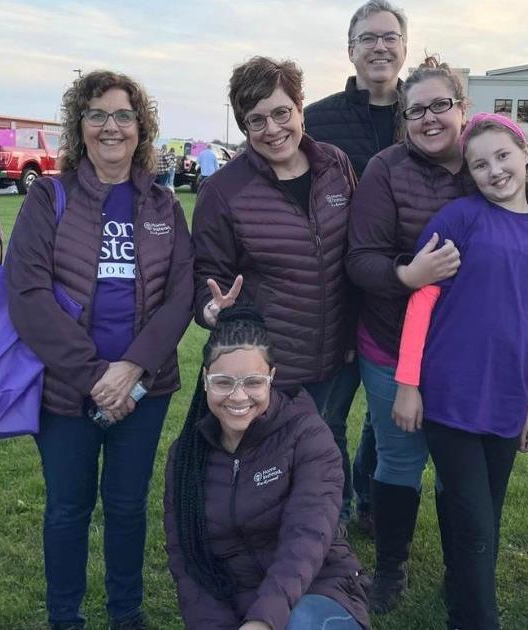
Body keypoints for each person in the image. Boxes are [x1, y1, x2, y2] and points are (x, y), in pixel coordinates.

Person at [5, 69, 194, 630]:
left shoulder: (163, 205)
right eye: (97, 115)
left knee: (127, 506)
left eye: (123, 115)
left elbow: (181, 294)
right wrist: (95, 377)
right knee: (68, 508)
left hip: (145, 388)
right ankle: (65, 617)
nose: (111, 127)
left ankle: (125, 615)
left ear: (141, 127)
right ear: (79, 126)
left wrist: (132, 368)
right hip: (66, 388)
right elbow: (28, 294)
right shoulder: (49, 196)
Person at [394, 113, 528, 630]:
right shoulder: (459, 219)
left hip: (507, 402)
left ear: (526, 154)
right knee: (476, 521)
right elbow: (422, 301)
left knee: (484, 514)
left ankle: (458, 584)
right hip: (450, 395)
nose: (494, 170)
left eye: (503, 156)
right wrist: (408, 384)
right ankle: (476, 618)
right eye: (480, 164)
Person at [192, 56, 361, 528]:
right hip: (271, 362)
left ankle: (333, 536)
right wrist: (212, 309)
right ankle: (261, 547)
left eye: (281, 112)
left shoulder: (335, 166)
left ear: (300, 107)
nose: (272, 128)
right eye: (256, 120)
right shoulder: (223, 191)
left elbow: (356, 250)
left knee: (328, 444)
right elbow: (204, 277)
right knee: (268, 463)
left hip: (335, 355)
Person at [346, 55, 478, 614]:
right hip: (391, 343)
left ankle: (462, 569)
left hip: (470, 353)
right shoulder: (385, 169)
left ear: (462, 108)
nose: (428, 118)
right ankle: (390, 568)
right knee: (398, 460)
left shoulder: (490, 160)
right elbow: (360, 259)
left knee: (459, 468)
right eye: (416, 109)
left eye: (439, 106)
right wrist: (407, 275)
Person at [163, 306, 370, 630]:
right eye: (223, 382)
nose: (238, 396)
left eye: (253, 382)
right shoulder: (186, 457)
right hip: (236, 602)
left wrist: (263, 621)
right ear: (204, 380)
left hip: (316, 590)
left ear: (271, 377)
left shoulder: (308, 435)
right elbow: (187, 563)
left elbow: (307, 537)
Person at [305, 0, 410, 536]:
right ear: (350, 50)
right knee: (330, 414)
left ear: (404, 48)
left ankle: (371, 495)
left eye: (390, 37)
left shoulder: (424, 114)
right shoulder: (318, 119)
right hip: (339, 294)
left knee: (388, 412)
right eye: (368, 38)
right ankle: (337, 511)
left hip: (408, 296)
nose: (380, 46)